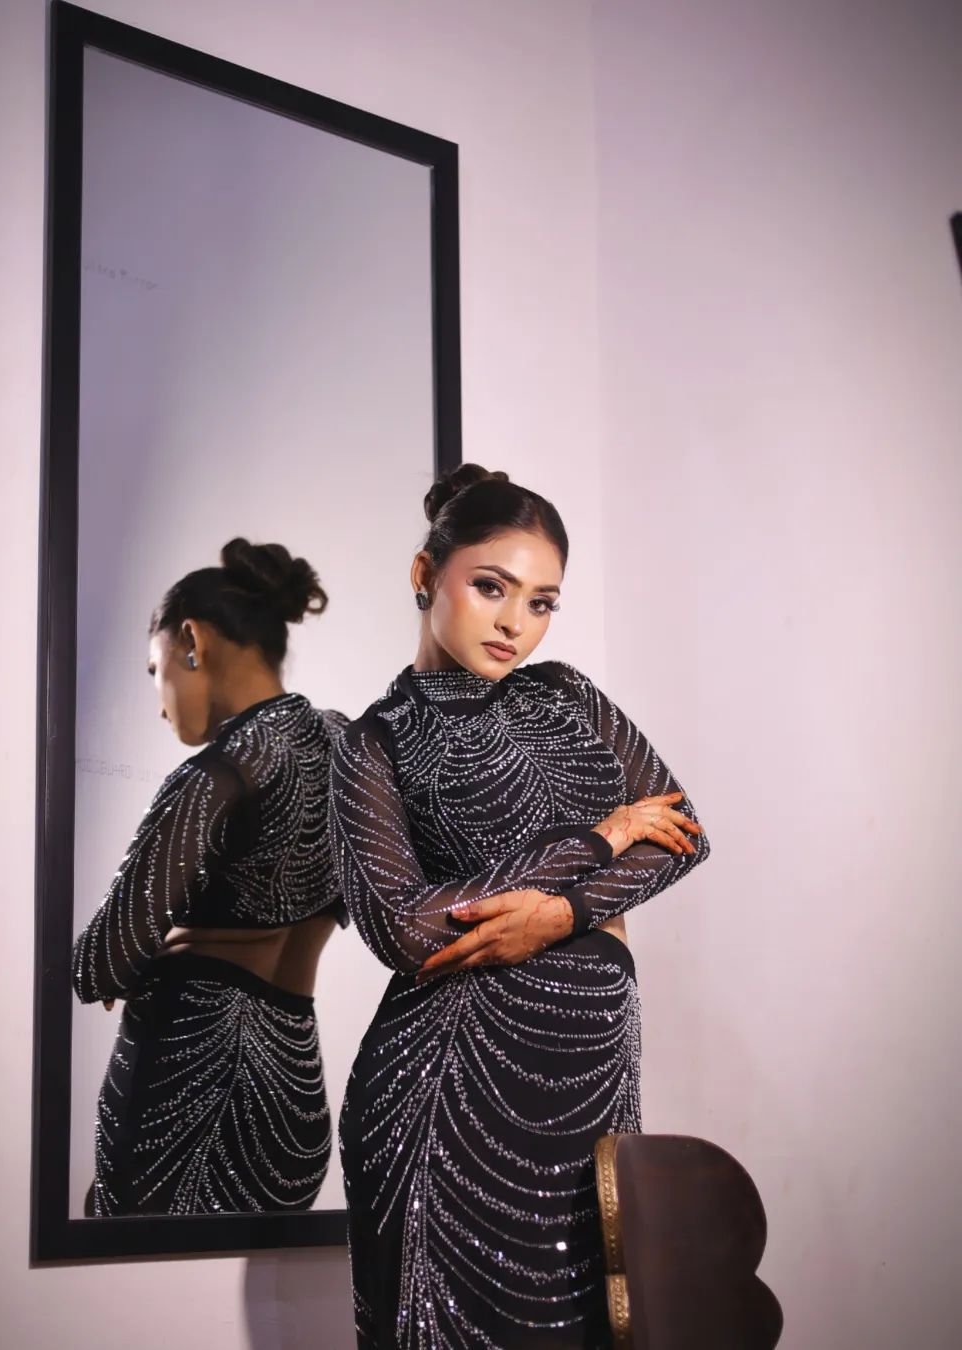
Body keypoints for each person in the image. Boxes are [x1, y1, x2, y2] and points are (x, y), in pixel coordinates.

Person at [330, 465, 710, 1348]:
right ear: (425, 573)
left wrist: (559, 917)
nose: (515, 624)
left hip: (590, 1079)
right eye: (491, 588)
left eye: (541, 603)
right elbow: (405, 926)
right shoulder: (371, 742)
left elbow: (683, 833)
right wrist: (598, 841)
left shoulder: (568, 695)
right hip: (446, 1091)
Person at [72, 538, 348, 1217]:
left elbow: (98, 964)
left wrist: (146, 954)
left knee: (135, 1277)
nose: (160, 703)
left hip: (185, 1087)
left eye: (154, 668)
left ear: (191, 641)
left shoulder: (222, 773)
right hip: (291, 1095)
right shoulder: (347, 745)